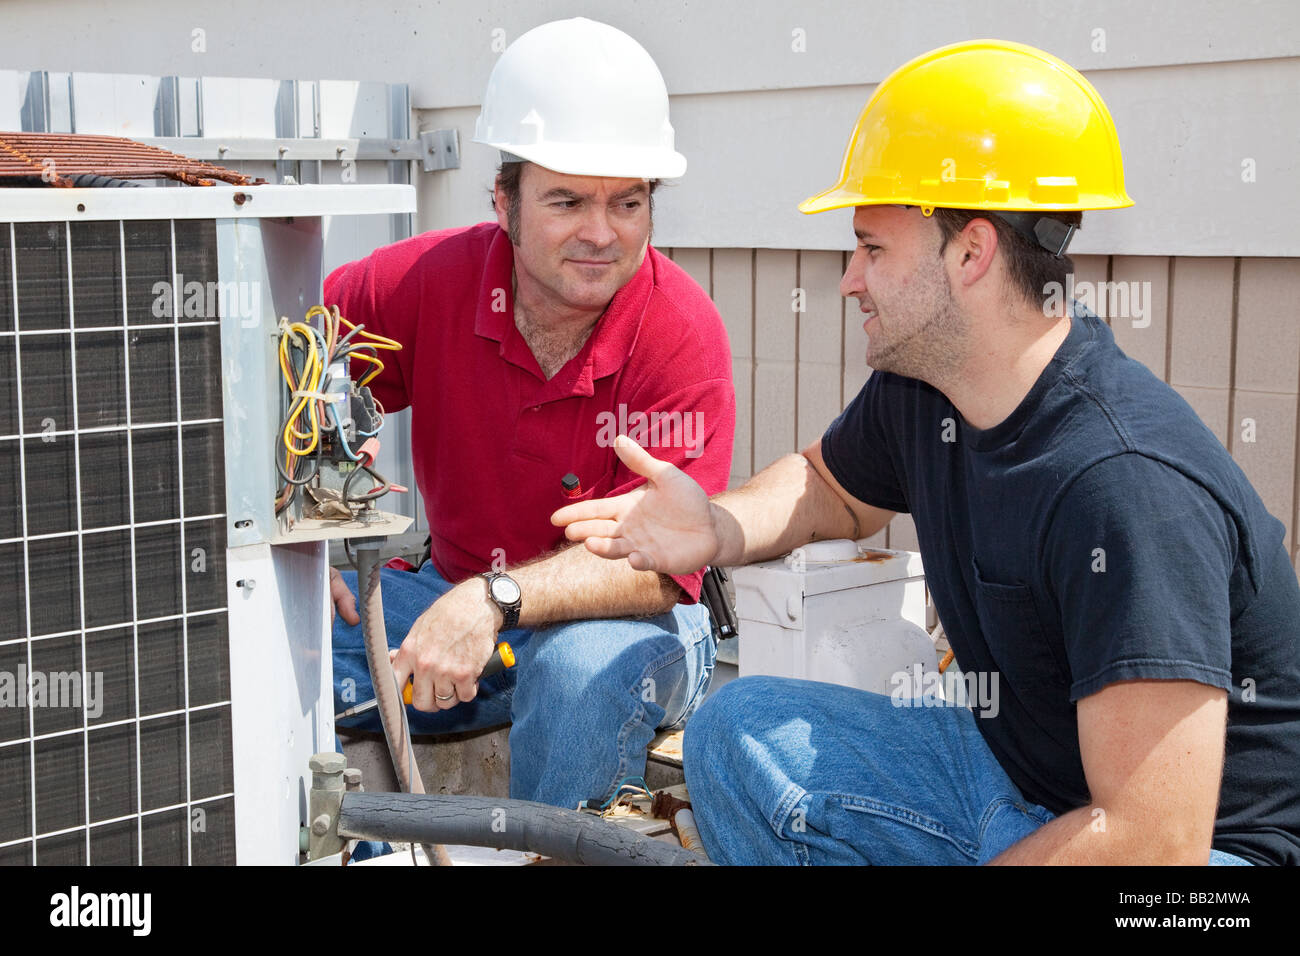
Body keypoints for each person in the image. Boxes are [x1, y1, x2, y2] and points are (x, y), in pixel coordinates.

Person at [553, 39, 1300, 865]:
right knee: (736, 731)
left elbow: (1151, 842)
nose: (848, 277)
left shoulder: (1124, 487)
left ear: (971, 252)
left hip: (1202, 861)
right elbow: (828, 487)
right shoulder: (928, 389)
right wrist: (718, 528)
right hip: (1015, 777)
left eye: (873, 247)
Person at [326, 17, 735, 816]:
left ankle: (556, 849)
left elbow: (657, 568)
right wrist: (296, 555)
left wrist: (492, 601)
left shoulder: (682, 331)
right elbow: (279, 376)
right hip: (446, 596)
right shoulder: (426, 282)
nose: (600, 233)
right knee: (265, 635)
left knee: (580, 673)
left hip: (623, 620)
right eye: (566, 200)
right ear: (504, 204)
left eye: (628, 203)